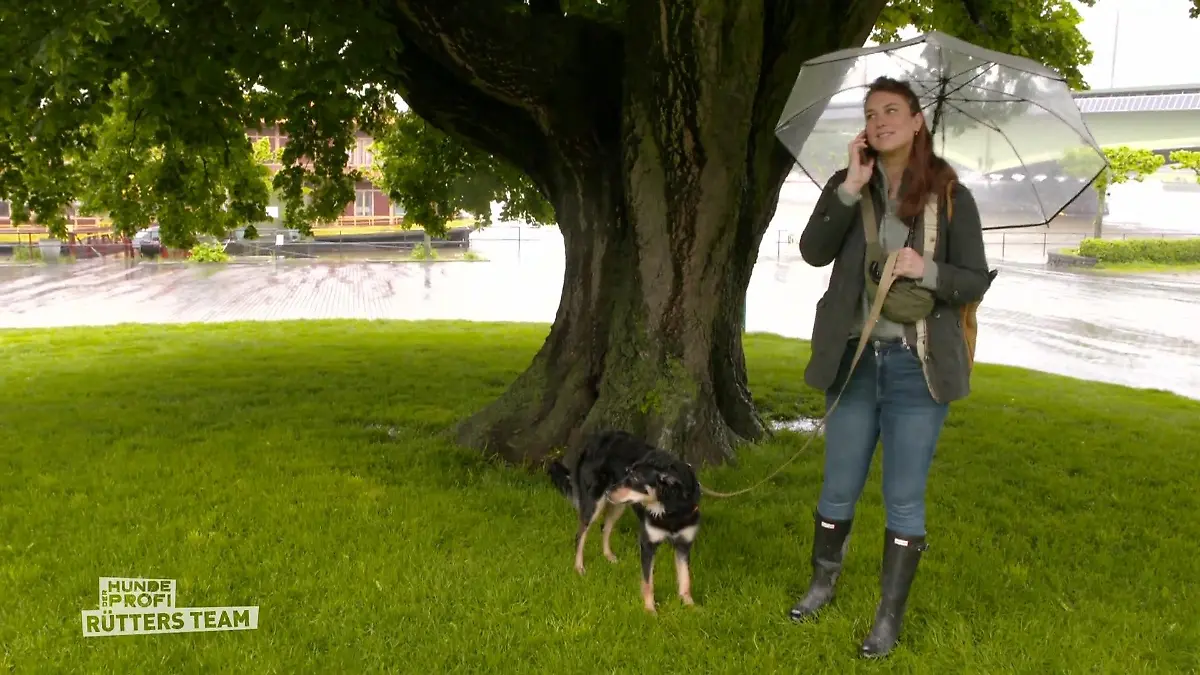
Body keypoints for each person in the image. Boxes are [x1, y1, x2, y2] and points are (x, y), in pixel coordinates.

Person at [789, 76, 992, 658]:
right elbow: (812, 251)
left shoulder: (952, 197)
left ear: (917, 121)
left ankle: (887, 616)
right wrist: (849, 188)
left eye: (892, 111)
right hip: (852, 363)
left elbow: (974, 281)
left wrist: (927, 270)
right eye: (871, 113)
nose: (879, 122)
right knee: (838, 486)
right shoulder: (849, 183)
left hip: (916, 369)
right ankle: (822, 585)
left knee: (904, 496)